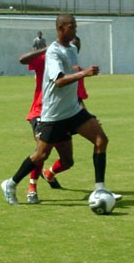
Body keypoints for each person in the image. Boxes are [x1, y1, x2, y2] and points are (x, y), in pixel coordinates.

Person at [1, 14, 120, 205]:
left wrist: (87, 113)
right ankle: (11, 183)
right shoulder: (53, 52)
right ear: (60, 28)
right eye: (71, 26)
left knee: (101, 140)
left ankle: (100, 189)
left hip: (72, 111)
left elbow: (74, 84)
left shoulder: (72, 49)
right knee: (41, 154)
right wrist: (85, 73)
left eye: (75, 26)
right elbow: (59, 81)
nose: (74, 30)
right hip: (54, 114)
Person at [19, 36, 89, 204]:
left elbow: (78, 98)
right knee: (42, 152)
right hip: (40, 113)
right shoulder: (47, 58)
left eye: (75, 48)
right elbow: (23, 59)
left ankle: (49, 173)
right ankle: (31, 189)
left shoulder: (77, 70)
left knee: (68, 161)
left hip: (63, 116)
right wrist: (47, 48)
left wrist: (88, 118)